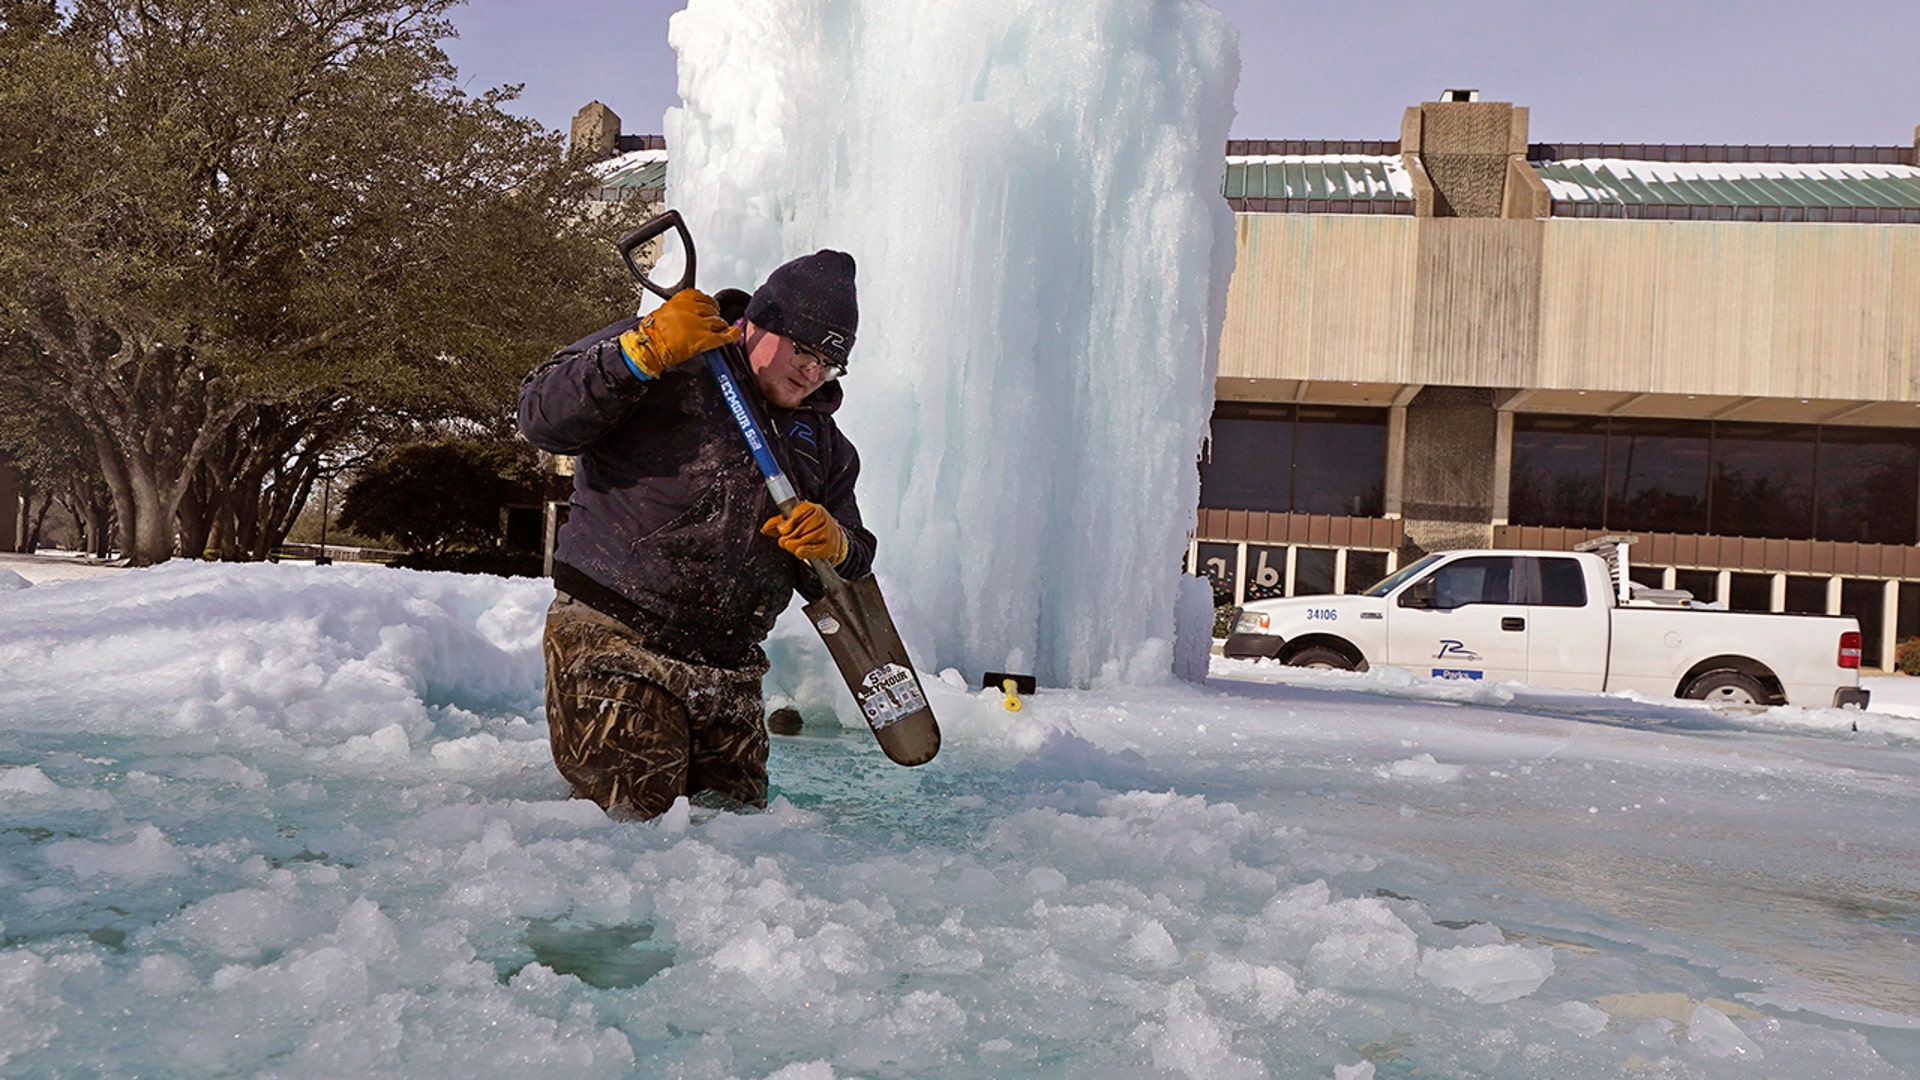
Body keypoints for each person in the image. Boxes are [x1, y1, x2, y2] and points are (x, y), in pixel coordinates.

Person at [517, 250, 875, 818]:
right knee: (632, 835)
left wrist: (835, 544)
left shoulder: (825, 445)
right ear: (757, 321)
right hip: (618, 641)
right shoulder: (670, 350)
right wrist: (638, 355)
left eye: (830, 364)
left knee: (735, 847)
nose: (812, 372)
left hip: (730, 670)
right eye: (804, 349)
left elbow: (852, 564)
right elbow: (540, 417)